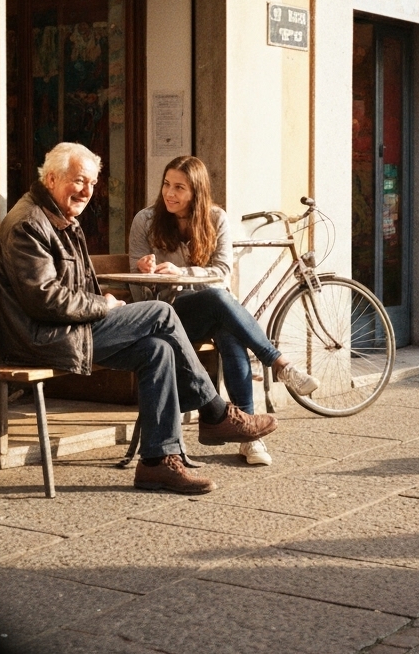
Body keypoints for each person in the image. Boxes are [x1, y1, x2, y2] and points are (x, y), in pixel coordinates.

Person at [0, 142, 277, 494]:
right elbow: (44, 300)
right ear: (51, 178)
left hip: (72, 329)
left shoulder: (62, 217)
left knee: (157, 349)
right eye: (79, 181)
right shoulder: (28, 224)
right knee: (161, 311)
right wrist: (105, 306)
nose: (87, 191)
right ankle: (216, 412)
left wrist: (105, 303)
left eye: (93, 183)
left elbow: (69, 290)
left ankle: (158, 462)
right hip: (43, 338)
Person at [129, 156, 318, 467]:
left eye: (180, 187)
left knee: (228, 331)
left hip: (210, 310)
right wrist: (144, 269)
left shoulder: (216, 219)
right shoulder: (146, 220)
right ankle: (277, 364)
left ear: (197, 192)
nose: (169, 193)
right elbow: (136, 288)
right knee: (218, 301)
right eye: (166, 184)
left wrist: (184, 272)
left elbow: (222, 272)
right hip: (167, 316)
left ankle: (249, 437)